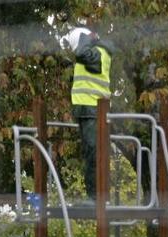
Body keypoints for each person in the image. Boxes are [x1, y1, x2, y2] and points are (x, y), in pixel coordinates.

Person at [62, 26, 115, 202]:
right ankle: (94, 196)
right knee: (90, 154)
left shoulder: (100, 52)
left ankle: (96, 197)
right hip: (86, 111)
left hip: (94, 110)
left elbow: (82, 54)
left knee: (94, 154)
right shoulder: (90, 55)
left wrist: (85, 38)